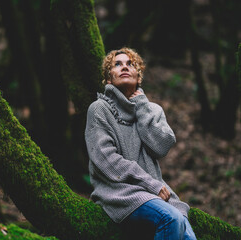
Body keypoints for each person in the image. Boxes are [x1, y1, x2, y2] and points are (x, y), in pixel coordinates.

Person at [84, 47, 197, 239]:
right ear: (109, 79)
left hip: (156, 193)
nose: (124, 67)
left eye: (130, 64)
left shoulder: (152, 109)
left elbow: (161, 146)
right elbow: (106, 159)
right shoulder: (99, 109)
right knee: (171, 219)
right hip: (120, 193)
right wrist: (149, 183)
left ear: (139, 77)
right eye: (117, 64)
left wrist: (142, 107)